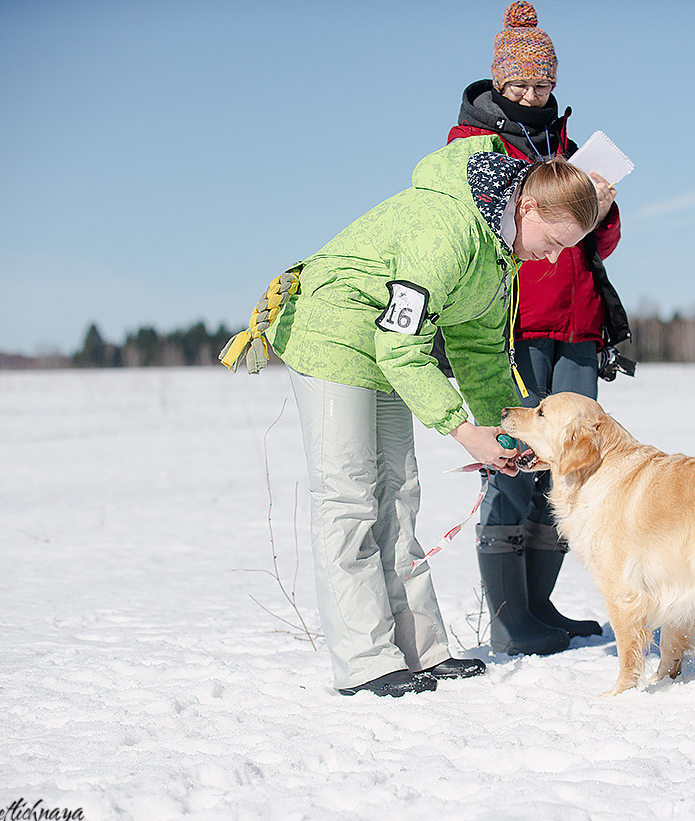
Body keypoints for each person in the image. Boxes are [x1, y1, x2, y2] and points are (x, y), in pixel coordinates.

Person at [220, 135, 599, 698]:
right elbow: (401, 344)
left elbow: (479, 352)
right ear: (526, 206)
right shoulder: (444, 230)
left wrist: (501, 428)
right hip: (333, 335)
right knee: (349, 495)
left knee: (398, 491)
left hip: (386, 347)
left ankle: (423, 649)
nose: (550, 258)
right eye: (552, 241)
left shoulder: (499, 255)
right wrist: (463, 430)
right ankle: (364, 659)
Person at [447, 1, 631, 657]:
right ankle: (508, 617)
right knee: (515, 464)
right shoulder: (472, 148)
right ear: (498, 81)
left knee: (571, 464)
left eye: (542, 85)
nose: (531, 94)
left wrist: (603, 205)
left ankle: (540, 605)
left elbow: (597, 245)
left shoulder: (571, 150)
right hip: (510, 328)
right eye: (520, 84)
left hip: (578, 328)